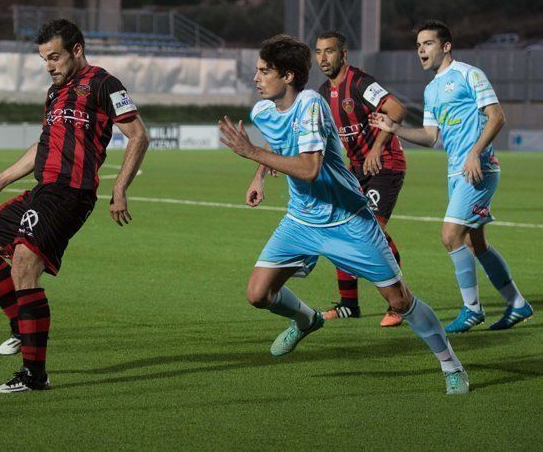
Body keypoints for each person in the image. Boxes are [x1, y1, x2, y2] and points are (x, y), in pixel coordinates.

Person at [219, 34, 468, 394]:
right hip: (301, 221)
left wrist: (251, 153)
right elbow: (278, 140)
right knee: (258, 295)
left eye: (263, 71)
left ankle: (451, 364)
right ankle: (307, 321)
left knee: (399, 300)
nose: (256, 78)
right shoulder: (262, 111)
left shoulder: (311, 104)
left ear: (288, 76)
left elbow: (309, 170)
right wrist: (259, 176)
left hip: (348, 220)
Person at [0, 19, 149, 393]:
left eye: (55, 57)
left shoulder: (104, 84)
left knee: (25, 264)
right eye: (45, 58)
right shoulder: (54, 93)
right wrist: (1, 179)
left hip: (69, 194)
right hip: (42, 191)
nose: (49, 65)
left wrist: (120, 187)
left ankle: (33, 375)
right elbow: (44, 144)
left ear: (77, 50)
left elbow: (138, 134)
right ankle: (20, 324)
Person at [370, 20, 532, 333]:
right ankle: (517, 304)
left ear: (446, 46)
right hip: (456, 172)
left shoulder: (469, 74)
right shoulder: (431, 90)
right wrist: (395, 130)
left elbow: (497, 118)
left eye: (427, 44)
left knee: (449, 235)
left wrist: (475, 153)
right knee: (477, 244)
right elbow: (431, 137)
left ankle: (472, 310)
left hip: (479, 168)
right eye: (418, 45)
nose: (421, 50)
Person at [315, 31, 407, 327]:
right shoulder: (320, 94)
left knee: (372, 234)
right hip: (355, 171)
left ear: (344, 55)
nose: (322, 58)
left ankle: (400, 303)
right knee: (341, 232)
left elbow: (397, 109)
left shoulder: (359, 82)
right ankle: (349, 305)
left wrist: (377, 149)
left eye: (329, 51)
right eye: (318, 52)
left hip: (385, 165)